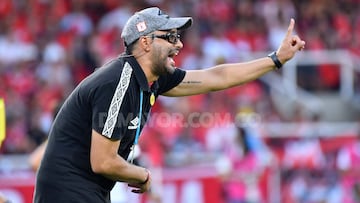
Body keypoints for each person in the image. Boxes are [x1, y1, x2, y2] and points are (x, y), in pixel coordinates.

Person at [33, 7, 305, 203]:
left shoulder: (151, 80)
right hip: (68, 192)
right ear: (145, 42)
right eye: (171, 37)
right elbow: (103, 161)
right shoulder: (120, 79)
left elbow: (215, 76)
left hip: (87, 191)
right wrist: (144, 175)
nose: (180, 44)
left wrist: (275, 59)